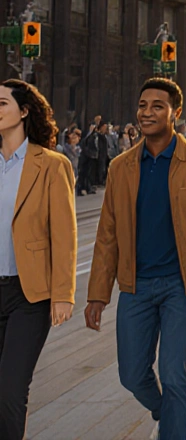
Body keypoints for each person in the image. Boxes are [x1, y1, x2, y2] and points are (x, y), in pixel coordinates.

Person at [85, 79, 186, 440]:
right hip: (135, 286)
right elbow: (107, 235)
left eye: (157, 106)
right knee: (131, 374)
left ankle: (172, 427)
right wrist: (97, 294)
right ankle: (164, 411)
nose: (147, 112)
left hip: (183, 286)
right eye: (143, 105)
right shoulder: (120, 168)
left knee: (175, 375)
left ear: (175, 113)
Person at [0, 80, 77, 438]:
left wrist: (63, 293)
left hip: (28, 296)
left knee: (11, 390)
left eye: (1, 103)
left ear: (25, 110)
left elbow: (64, 233)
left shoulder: (51, 165)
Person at [78, 116, 109, 194]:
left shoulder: (98, 135)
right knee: (84, 172)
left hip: (94, 155)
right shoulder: (87, 134)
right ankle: (82, 187)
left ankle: (89, 187)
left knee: (90, 173)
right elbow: (84, 143)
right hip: (86, 155)